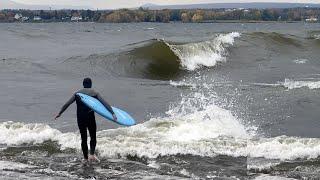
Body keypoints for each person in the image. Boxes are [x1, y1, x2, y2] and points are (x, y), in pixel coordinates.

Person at [54, 78, 117, 164]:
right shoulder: (95, 93)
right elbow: (104, 103)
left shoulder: (77, 94)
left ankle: (85, 158)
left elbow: (67, 104)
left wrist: (59, 113)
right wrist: (112, 113)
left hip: (80, 118)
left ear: (83, 84)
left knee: (83, 138)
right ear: (90, 84)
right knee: (93, 137)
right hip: (90, 118)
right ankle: (91, 154)